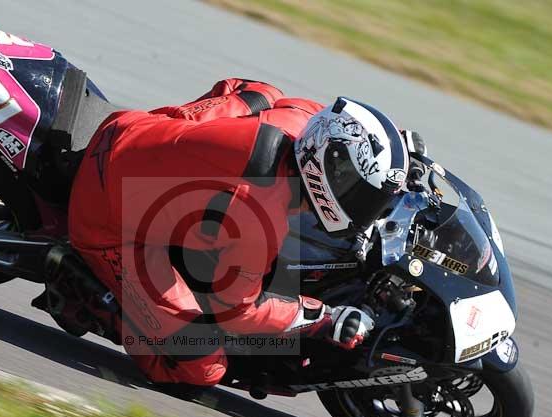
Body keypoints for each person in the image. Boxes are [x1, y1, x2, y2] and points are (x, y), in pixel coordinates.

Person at [68, 78, 410, 387]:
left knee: (262, 94)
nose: (366, 208)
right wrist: (323, 317)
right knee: (203, 367)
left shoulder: (302, 120)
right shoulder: (259, 218)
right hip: (105, 219)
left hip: (130, 126)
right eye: (363, 195)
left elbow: (238, 87)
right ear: (330, 169)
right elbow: (237, 312)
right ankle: (94, 294)